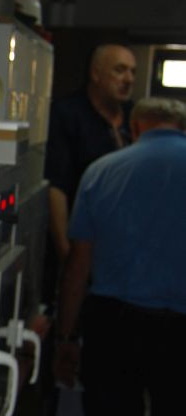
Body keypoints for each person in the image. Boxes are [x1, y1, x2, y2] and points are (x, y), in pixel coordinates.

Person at [54, 97, 186, 416]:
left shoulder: (103, 171)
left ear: (136, 127)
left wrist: (67, 337)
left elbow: (78, 265)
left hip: (115, 328)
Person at [44, 43, 137, 278]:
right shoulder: (67, 113)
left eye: (133, 72)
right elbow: (56, 187)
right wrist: (67, 256)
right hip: (81, 240)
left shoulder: (135, 116)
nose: (128, 79)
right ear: (96, 73)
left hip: (124, 247)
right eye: (120, 70)